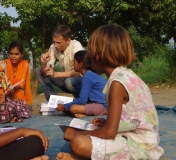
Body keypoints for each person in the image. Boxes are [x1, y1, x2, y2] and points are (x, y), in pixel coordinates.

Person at [56, 24, 164, 160]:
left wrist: (77, 135)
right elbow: (132, 119)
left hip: (138, 146)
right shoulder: (127, 76)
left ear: (97, 55)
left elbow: (110, 132)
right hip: (145, 141)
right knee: (83, 139)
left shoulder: (117, 84)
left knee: (78, 143)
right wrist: (106, 122)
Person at [36, 25, 84, 101]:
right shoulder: (53, 47)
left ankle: (82, 101)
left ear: (68, 40)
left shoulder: (76, 46)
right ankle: (53, 101)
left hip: (81, 82)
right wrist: (43, 64)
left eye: (59, 43)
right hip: (67, 81)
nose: (56, 45)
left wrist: (55, 74)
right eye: (54, 42)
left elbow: (78, 72)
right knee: (39, 70)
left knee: (69, 81)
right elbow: (45, 73)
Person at [56, 50, 107, 118]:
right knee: (71, 106)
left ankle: (89, 113)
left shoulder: (87, 76)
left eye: (74, 62)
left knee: (73, 108)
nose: (73, 64)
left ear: (80, 65)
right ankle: (85, 112)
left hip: (103, 106)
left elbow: (82, 100)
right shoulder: (90, 74)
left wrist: (64, 106)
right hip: (98, 104)